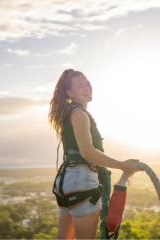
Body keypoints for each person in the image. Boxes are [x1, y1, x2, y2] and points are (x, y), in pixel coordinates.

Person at [48, 69, 140, 239]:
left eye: (88, 83)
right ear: (70, 92)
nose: (87, 87)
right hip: (81, 180)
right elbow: (87, 151)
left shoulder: (69, 113)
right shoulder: (79, 114)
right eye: (80, 85)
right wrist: (122, 165)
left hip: (67, 181)